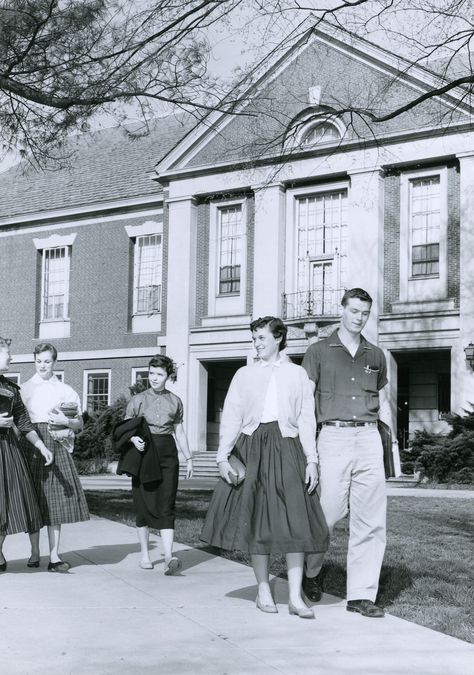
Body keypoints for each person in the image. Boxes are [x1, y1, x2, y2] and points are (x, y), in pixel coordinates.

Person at [201, 317, 329, 619]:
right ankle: (262, 589)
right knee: (257, 520)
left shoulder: (297, 374)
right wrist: (222, 457)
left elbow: (307, 419)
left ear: (278, 338)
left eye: (261, 338)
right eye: (254, 338)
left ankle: (296, 597)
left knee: (295, 522)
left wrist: (312, 459)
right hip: (252, 448)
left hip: (288, 448)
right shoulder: (244, 374)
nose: (257, 343)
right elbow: (231, 415)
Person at [302, 288, 396, 618]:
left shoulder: (376, 355)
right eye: (354, 310)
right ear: (342, 310)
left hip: (369, 439)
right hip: (333, 438)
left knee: (371, 521)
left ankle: (360, 595)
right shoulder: (317, 351)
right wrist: (309, 453)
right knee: (325, 515)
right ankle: (310, 573)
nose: (359, 317)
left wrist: (391, 443)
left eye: (365, 313)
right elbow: (304, 405)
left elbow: (383, 403)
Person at [21, 343, 90, 572]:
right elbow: (19, 424)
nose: (42, 365)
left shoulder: (65, 390)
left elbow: (79, 423)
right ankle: (34, 551)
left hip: (57, 444)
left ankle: (54, 556)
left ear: (55, 362)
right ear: (34, 360)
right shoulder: (24, 389)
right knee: (33, 499)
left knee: (55, 501)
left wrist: (66, 422)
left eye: (47, 361)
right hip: (31, 445)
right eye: (39, 360)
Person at [124, 354, 193, 574]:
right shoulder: (137, 400)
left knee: (167, 504)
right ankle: (145, 555)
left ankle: (168, 557)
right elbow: (125, 429)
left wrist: (189, 458)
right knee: (143, 505)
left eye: (159, 374)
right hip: (143, 452)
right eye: (151, 373)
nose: (154, 378)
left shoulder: (175, 401)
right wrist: (133, 438)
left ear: (168, 376)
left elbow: (179, 432)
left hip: (167, 453)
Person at [0, 337, 53, 571]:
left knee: (11, 500)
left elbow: (23, 422)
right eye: (7, 352)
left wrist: (41, 446)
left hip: (8, 451)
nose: (11, 357)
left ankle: (6, 553)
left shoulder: (10, 388)